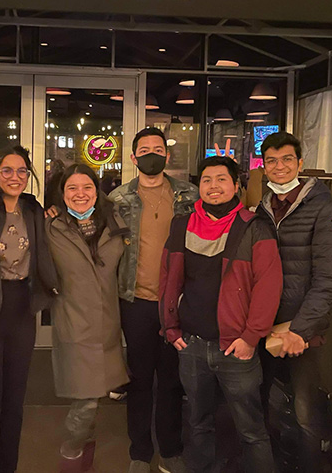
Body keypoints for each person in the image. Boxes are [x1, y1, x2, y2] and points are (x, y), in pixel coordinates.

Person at [160, 156, 282, 473]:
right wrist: (171, 329)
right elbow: (168, 278)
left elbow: (269, 286)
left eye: (221, 179)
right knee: (198, 423)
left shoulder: (254, 227)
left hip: (236, 347)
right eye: (206, 180)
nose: (213, 186)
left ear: (236, 185)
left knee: (251, 429)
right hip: (192, 345)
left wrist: (251, 337)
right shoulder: (182, 225)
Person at [108, 127, 198, 473]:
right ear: (133, 157)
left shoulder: (189, 195)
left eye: (157, 149)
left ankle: (171, 449)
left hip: (177, 301)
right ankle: (140, 452)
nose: (151, 155)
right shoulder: (117, 199)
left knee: (172, 380)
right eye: (144, 150)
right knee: (140, 379)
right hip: (136, 302)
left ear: (167, 155)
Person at [255, 132, 332, 473]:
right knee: (265, 402)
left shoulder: (324, 209)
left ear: (300, 163)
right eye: (272, 161)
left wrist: (300, 330)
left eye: (287, 160)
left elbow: (329, 280)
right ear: (264, 167)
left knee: (306, 411)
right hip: (265, 326)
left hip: (300, 331)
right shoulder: (263, 209)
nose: (279, 167)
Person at [0, 145, 60, 473]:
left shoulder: (32, 208)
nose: (15, 177)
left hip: (22, 306)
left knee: (15, 400)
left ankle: (8, 467)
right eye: (7, 170)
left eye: (22, 170)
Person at [46, 165, 131, 472]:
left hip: (107, 325)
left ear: (97, 191)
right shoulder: (51, 227)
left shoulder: (116, 223)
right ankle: (70, 455)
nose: (80, 194)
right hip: (73, 323)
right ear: (62, 193)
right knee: (88, 400)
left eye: (87, 187)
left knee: (93, 398)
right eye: (72, 188)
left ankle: (84, 456)